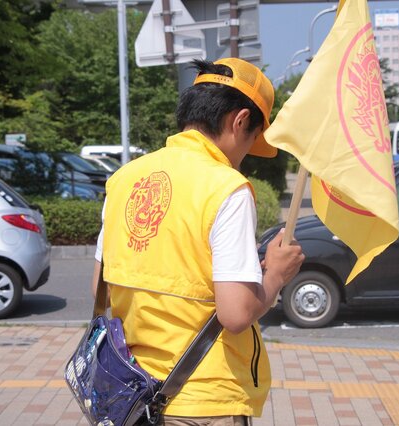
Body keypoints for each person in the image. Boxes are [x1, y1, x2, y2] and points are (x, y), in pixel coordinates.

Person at [91, 58, 304, 425]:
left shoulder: (124, 180)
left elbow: (99, 292)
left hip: (133, 397)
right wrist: (277, 275)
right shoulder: (226, 188)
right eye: (252, 140)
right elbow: (235, 314)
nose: (245, 156)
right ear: (240, 121)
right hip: (205, 401)